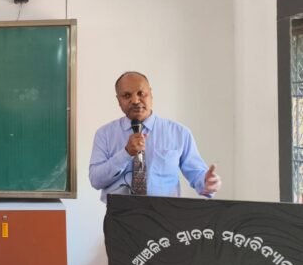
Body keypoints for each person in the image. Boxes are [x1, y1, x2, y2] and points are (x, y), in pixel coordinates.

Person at [89, 72, 222, 202]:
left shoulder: (180, 133)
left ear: (151, 94)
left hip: (166, 212)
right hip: (119, 213)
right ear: (118, 100)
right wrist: (126, 153)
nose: (135, 100)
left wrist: (207, 182)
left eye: (141, 93)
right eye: (127, 95)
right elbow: (96, 180)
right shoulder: (104, 134)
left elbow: (197, 174)